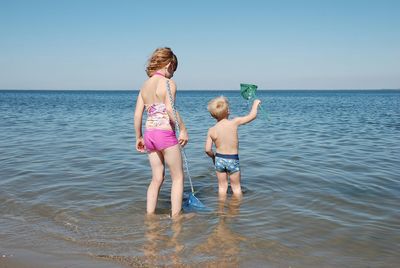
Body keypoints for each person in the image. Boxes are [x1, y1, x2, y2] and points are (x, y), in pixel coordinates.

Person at [134, 47, 188, 218]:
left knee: (157, 178)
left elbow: (137, 114)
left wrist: (139, 137)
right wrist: (183, 130)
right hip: (165, 134)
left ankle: (150, 215)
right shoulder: (168, 83)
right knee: (178, 178)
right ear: (169, 65)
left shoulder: (144, 85)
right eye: (174, 70)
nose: (173, 74)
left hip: (149, 135)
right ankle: (176, 217)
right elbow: (171, 110)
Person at [205, 96, 260, 197]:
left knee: (222, 187)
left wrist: (213, 157)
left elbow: (207, 149)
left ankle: (221, 209)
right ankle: (235, 210)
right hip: (232, 159)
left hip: (219, 159)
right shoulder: (234, 122)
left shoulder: (211, 130)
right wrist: (255, 104)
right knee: (236, 187)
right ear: (227, 111)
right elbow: (252, 116)